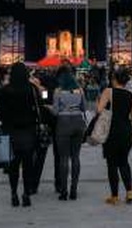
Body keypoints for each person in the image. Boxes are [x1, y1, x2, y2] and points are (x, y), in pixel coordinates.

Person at [0, 62, 39, 207]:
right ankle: (26, 193)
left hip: (10, 131)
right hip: (28, 131)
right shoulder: (31, 89)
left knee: (13, 166)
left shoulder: (6, 90)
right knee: (28, 165)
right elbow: (39, 106)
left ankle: (13, 193)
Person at [99, 69, 132, 205]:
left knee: (112, 164)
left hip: (111, 131)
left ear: (114, 79)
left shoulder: (108, 92)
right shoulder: (131, 95)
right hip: (127, 132)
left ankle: (114, 196)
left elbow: (99, 110)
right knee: (124, 162)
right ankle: (129, 192)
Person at [52, 69, 86, 201]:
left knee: (64, 158)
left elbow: (55, 111)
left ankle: (64, 191)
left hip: (63, 123)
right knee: (76, 157)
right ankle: (74, 190)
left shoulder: (58, 92)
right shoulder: (80, 91)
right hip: (78, 122)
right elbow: (83, 108)